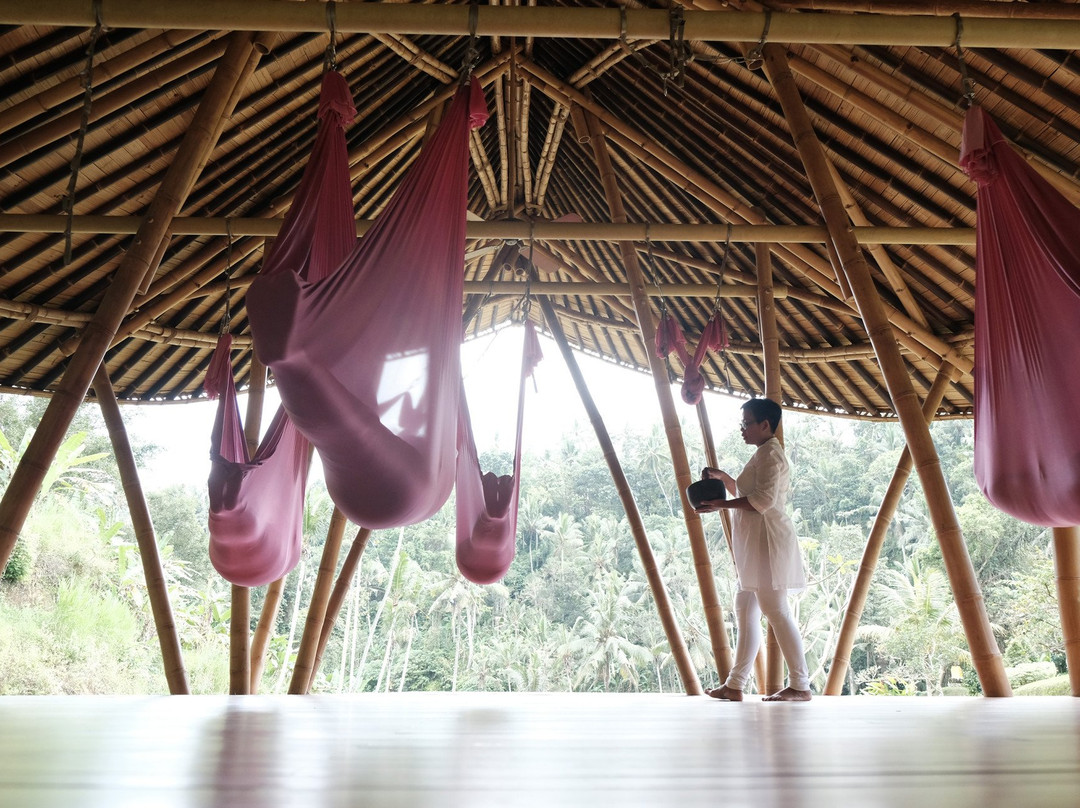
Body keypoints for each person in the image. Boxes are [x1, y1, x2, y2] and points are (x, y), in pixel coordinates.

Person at [694, 397, 811, 702]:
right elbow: (748, 491)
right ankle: (735, 685)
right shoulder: (763, 454)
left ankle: (800, 685)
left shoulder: (771, 455)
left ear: (765, 425)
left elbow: (762, 501)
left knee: (777, 611)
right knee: (745, 609)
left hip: (767, 543)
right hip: (754, 546)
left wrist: (719, 504)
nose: (742, 429)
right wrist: (724, 479)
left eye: (746, 423)